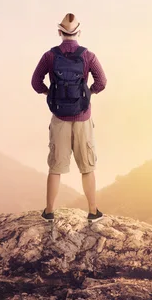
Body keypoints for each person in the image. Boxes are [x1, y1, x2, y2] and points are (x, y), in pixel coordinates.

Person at [31, 13, 107, 222]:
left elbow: (36, 81)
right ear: (79, 33)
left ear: (59, 32)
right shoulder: (88, 56)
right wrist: (87, 94)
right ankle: (93, 211)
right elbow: (101, 81)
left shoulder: (50, 56)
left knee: (55, 167)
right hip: (83, 117)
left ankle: (49, 211)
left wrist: (50, 93)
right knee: (87, 167)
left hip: (59, 118)